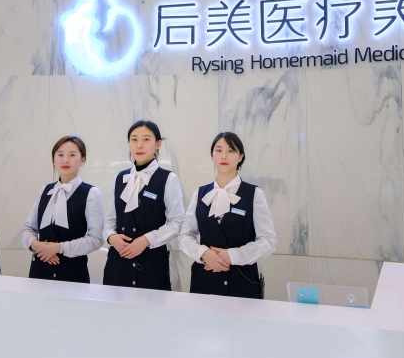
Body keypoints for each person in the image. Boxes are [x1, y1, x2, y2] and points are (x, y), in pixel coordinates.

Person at [179, 132, 276, 299]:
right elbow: (184, 236)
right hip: (204, 283)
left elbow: (268, 241)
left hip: (242, 283)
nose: (224, 156)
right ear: (212, 155)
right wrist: (203, 253)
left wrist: (232, 255)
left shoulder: (254, 194)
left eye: (231, 150)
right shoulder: (200, 193)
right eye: (219, 150)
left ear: (241, 157)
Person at [103, 120, 184, 290]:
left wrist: (147, 240)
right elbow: (110, 219)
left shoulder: (168, 179)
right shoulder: (119, 178)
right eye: (134, 139)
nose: (139, 145)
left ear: (158, 144)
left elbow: (176, 223)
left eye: (146, 139)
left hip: (152, 266)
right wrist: (111, 237)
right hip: (118, 264)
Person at [21, 135, 104, 282]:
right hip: (39, 272)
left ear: (82, 160)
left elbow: (96, 239)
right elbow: (28, 229)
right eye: (60, 155)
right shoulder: (44, 191)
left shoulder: (91, 193)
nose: (65, 160)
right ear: (54, 159)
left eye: (72, 155)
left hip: (72, 276)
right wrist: (36, 245)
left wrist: (59, 248)